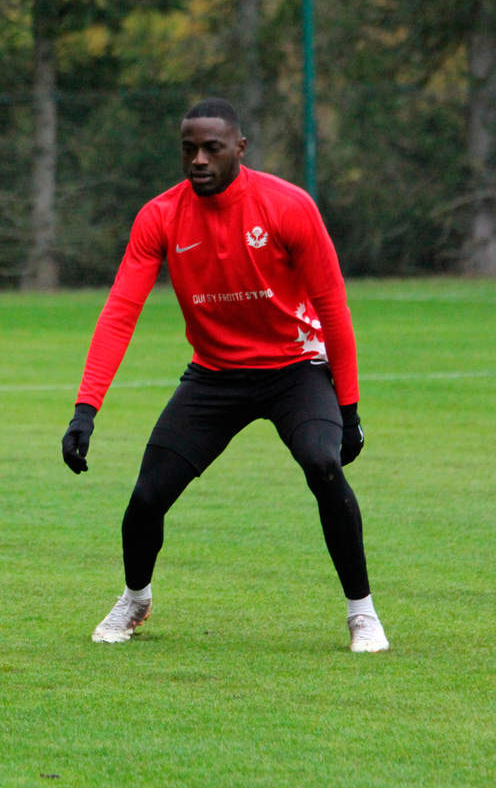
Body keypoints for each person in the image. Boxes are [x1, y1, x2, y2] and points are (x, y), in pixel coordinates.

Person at [60, 98, 389, 653]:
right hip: (214, 376)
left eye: (212, 148)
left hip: (295, 368)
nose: (198, 160)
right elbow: (120, 312)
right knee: (146, 499)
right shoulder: (160, 215)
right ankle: (135, 599)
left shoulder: (288, 206)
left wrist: (350, 411)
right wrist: (85, 409)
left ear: (240, 147)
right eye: (188, 149)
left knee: (323, 463)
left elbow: (333, 306)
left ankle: (363, 614)